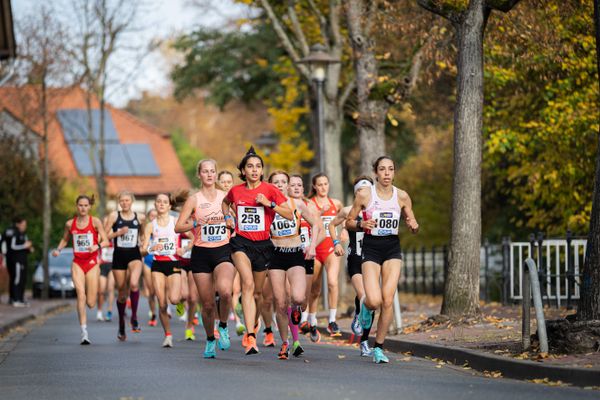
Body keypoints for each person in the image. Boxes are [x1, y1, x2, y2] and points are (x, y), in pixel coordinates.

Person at [346, 156, 419, 363]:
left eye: (390, 169)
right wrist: (362, 225)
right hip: (371, 248)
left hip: (392, 247)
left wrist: (413, 225)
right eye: (382, 169)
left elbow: (411, 220)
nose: (387, 173)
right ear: (376, 173)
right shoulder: (364, 195)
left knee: (387, 300)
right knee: (374, 300)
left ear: (394, 172)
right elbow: (349, 222)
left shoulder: (402, 196)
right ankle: (364, 309)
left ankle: (378, 347)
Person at [222, 147, 293, 355]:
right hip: (241, 243)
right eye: (250, 166)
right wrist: (228, 218)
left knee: (259, 293)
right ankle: (251, 336)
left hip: (263, 246)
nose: (254, 170)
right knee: (248, 283)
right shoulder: (236, 191)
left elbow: (290, 214)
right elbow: (225, 203)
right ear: (243, 171)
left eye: (258, 167)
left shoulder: (271, 189)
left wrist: (269, 203)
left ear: (262, 170)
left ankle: (256, 327)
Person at [176, 159, 236, 358]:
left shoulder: (226, 196)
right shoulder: (194, 200)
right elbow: (178, 227)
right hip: (201, 253)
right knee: (208, 304)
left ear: (216, 174)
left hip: (223, 250)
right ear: (199, 175)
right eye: (205, 171)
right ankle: (210, 339)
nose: (209, 175)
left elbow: (236, 219)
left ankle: (224, 326)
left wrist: (230, 222)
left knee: (226, 292)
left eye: (212, 171)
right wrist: (195, 221)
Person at [268, 171, 322, 359]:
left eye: (284, 182)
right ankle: (284, 343)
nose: (280, 185)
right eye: (276, 182)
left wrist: (312, 246)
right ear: (270, 185)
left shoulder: (297, 204)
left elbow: (316, 223)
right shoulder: (266, 206)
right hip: (275, 256)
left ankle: (297, 310)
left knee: (298, 298)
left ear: (288, 185)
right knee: (281, 303)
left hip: (295, 255)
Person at [52, 195, 109, 344]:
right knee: (80, 295)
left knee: (90, 303)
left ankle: (92, 302)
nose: (83, 208)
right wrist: (58, 249)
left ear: (90, 207)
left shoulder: (95, 222)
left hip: (91, 263)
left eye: (86, 205)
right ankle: (84, 332)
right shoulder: (70, 224)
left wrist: (97, 245)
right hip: (77, 263)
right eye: (80, 205)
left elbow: (106, 240)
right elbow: (65, 239)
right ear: (76, 206)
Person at [328, 176, 374, 356]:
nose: (363, 194)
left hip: (373, 259)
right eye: (360, 191)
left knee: (372, 301)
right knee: (364, 296)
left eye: (367, 190)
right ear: (356, 193)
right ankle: (363, 337)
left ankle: (364, 341)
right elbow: (332, 225)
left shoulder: (377, 210)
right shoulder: (348, 210)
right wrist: (337, 242)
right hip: (355, 259)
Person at [141, 193, 183, 348]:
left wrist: (183, 248)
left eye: (165, 202)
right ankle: (168, 335)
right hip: (157, 265)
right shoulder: (150, 225)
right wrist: (151, 248)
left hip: (173, 263)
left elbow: (193, 237)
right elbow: (143, 250)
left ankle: (179, 303)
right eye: (158, 202)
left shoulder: (176, 221)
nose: (161, 204)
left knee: (174, 299)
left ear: (169, 206)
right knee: (162, 303)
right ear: (155, 205)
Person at [104, 191, 145, 341]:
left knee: (134, 284)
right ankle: (121, 324)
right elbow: (105, 235)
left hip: (134, 254)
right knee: (121, 292)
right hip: (119, 256)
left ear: (132, 201)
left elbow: (144, 235)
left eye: (127, 200)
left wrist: (143, 243)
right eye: (122, 201)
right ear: (119, 202)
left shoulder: (140, 217)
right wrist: (119, 233)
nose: (125, 203)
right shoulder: (114, 216)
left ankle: (134, 317)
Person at [288, 175, 324, 343]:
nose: (296, 188)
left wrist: (313, 246)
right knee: (291, 294)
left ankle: (299, 312)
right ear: (287, 188)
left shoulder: (310, 207)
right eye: (292, 185)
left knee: (303, 299)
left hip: (306, 255)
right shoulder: (283, 205)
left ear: (303, 189)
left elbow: (321, 231)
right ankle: (292, 329)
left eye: (299, 185)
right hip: (288, 254)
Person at [307, 173, 344, 337]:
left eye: (325, 184)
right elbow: (305, 221)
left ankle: (332, 320)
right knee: (315, 289)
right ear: (314, 186)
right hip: (315, 249)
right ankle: (312, 320)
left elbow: (344, 218)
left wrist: (344, 232)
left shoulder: (336, 203)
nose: (323, 187)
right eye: (319, 184)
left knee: (332, 282)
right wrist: (319, 213)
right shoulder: (309, 204)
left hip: (331, 248)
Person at [218, 170, 245, 336]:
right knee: (220, 291)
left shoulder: (236, 203)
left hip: (233, 248)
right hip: (216, 250)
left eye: (229, 182)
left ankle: (238, 321)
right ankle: (220, 321)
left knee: (234, 289)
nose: (226, 184)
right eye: (223, 182)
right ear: (218, 183)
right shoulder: (213, 202)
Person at [2, 217, 33, 306]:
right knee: (17, 279)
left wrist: (29, 248)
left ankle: (19, 298)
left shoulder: (22, 233)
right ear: (18, 224)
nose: (25, 227)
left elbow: (24, 246)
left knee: (21, 279)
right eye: (23, 225)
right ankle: (15, 299)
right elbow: (13, 246)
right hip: (16, 261)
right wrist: (24, 246)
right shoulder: (15, 233)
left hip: (21, 260)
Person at [142, 208, 158, 326]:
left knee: (163, 290)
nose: (153, 218)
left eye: (155, 216)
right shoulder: (146, 232)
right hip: (148, 262)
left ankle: (165, 308)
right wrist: (148, 248)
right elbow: (142, 251)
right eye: (151, 216)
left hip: (161, 262)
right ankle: (153, 314)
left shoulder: (164, 229)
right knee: (151, 292)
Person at [97, 238, 115, 322]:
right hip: (103, 265)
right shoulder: (102, 235)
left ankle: (109, 312)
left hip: (113, 264)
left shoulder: (115, 235)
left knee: (110, 288)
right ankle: (99, 311)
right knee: (101, 290)